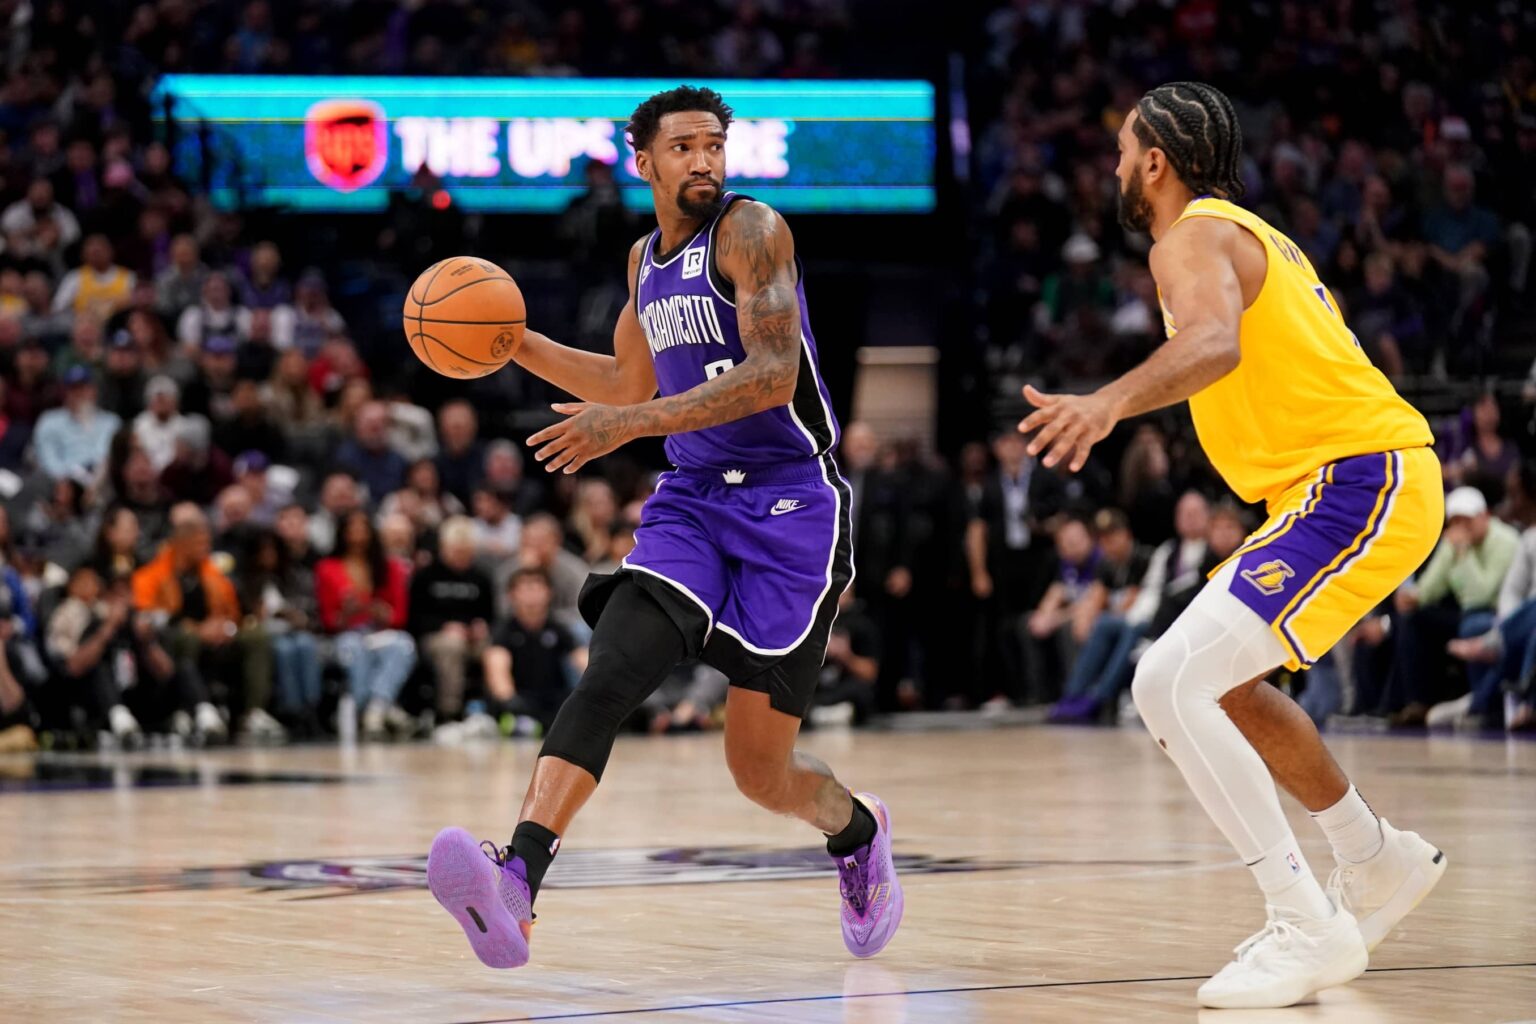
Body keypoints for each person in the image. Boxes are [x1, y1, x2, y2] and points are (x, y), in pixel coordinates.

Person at [426, 86, 901, 971]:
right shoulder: (646, 261)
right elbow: (624, 382)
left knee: (760, 772)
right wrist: (510, 339)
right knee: (614, 666)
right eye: (682, 147)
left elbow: (769, 373)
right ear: (642, 162)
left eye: (714, 145)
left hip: (790, 503)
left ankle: (860, 833)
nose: (704, 161)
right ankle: (517, 883)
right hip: (691, 501)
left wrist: (630, 427)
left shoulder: (753, 232)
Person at [1018, 83, 1446, 1008]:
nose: (1118, 168)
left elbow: (1214, 344)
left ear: (1157, 164)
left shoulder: (1190, 237)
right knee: (1229, 689)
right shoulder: (1237, 231)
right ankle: (1374, 862)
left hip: (1358, 476)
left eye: (1125, 152)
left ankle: (1304, 922)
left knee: (1165, 680)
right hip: (1331, 486)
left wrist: (1105, 403)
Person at [314, 509, 415, 740]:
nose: (358, 534)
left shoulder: (389, 568)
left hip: (378, 632)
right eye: (352, 528)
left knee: (402, 645)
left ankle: (377, 707)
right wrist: (348, 613)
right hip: (345, 635)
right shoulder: (328, 568)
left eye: (363, 528)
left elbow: (398, 616)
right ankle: (366, 706)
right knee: (353, 647)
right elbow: (328, 620)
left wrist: (382, 613)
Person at [480, 569, 585, 738]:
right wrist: (510, 700)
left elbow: (582, 659)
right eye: (525, 589)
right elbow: (497, 670)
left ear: (549, 593)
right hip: (520, 702)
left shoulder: (558, 629)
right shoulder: (503, 631)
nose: (531, 595)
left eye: (537, 588)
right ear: (511, 595)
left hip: (553, 701)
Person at [410, 517, 496, 725]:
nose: (461, 557)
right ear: (443, 548)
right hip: (435, 638)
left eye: (466, 552)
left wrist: (481, 626)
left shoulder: (481, 578)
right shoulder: (425, 577)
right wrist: (443, 627)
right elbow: (414, 619)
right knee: (452, 646)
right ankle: (449, 714)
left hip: (473, 638)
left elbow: (491, 616)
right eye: (456, 551)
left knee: (495, 650)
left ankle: (493, 709)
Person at [32, 366, 121, 483]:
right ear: (65, 392)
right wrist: (74, 479)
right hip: (63, 485)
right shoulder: (49, 421)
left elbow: (112, 458)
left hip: (104, 483)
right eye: (73, 389)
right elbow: (49, 462)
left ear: (94, 390)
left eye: (84, 388)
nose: (79, 393)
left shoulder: (111, 422)